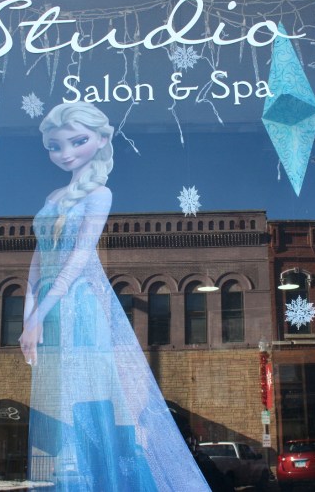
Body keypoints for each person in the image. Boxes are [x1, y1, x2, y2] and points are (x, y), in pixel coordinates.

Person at [19, 102, 210, 491]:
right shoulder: (54, 195)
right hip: (51, 307)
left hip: (81, 302)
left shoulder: (100, 194)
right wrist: (29, 316)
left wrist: (39, 315)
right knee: (65, 395)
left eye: (77, 141)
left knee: (89, 389)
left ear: (102, 140)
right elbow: (38, 261)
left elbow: (79, 258)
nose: (66, 153)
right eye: (55, 146)